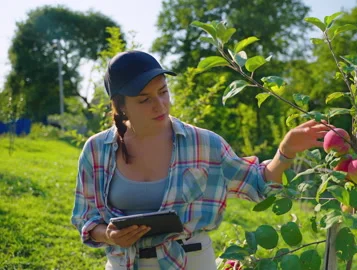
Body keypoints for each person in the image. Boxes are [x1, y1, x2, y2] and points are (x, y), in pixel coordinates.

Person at [71, 50, 333, 270]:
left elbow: (260, 186)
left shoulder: (205, 144)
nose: (160, 105)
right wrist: (110, 236)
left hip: (192, 261)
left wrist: (284, 152)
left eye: (163, 92)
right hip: (124, 264)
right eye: (145, 100)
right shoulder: (97, 150)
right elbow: (85, 217)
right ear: (121, 105)